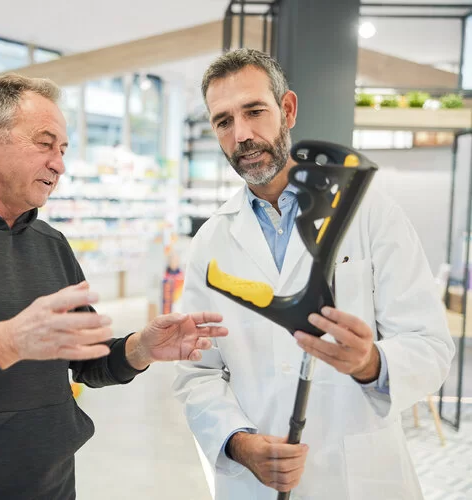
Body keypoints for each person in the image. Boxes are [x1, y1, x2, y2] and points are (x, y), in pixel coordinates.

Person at [0, 74, 227, 500]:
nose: (59, 164)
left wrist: (141, 348)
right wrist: (7, 341)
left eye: (63, 150)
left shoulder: (49, 243)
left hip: (53, 486)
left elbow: (86, 361)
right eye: (44, 144)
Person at [172, 48, 454, 500]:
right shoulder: (211, 241)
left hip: (359, 477)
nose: (241, 134)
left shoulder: (369, 212)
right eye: (223, 121)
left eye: (254, 111)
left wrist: (369, 363)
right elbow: (197, 372)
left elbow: (431, 345)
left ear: (287, 110)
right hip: (256, 483)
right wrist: (239, 444)